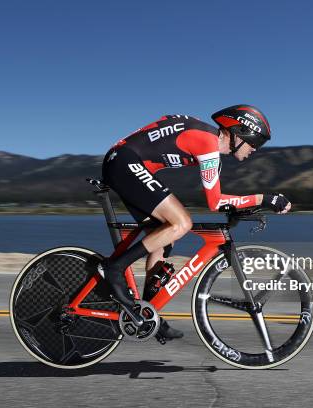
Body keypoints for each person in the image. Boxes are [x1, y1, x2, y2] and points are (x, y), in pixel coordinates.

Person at [100, 104, 291, 341]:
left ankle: (147, 313)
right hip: (125, 162)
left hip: (128, 162)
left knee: (162, 240)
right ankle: (115, 268)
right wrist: (265, 198)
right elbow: (216, 202)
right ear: (240, 133)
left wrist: (248, 205)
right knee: (182, 223)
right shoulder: (207, 142)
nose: (255, 149)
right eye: (255, 142)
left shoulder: (210, 146)